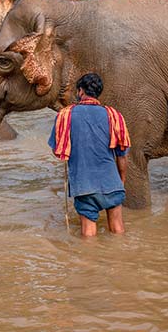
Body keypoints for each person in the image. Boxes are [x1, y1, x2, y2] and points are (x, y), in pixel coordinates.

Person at [49, 73, 131, 237]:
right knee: (118, 231)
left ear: (80, 91)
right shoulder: (114, 116)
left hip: (84, 186)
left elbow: (57, 150)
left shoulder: (65, 116)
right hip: (112, 184)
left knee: (88, 235)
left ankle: (89, 261)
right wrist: (121, 181)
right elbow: (122, 155)